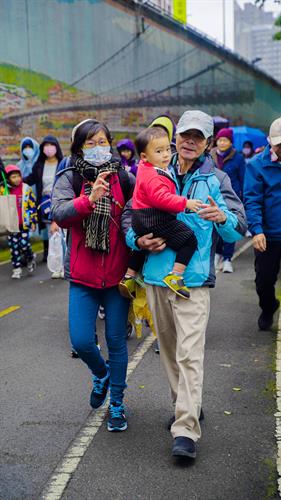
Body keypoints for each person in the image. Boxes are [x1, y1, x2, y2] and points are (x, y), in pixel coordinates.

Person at [123, 110, 247, 458]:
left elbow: (239, 227)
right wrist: (137, 241)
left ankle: (186, 431)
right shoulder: (152, 169)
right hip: (155, 280)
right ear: (175, 137)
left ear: (208, 144)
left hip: (192, 282)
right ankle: (187, 405)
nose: (190, 142)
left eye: (198, 137)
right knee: (171, 356)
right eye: (185, 135)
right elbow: (129, 217)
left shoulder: (217, 179)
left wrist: (222, 217)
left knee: (190, 354)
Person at [51, 119, 135, 432]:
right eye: (91, 142)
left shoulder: (124, 178)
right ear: (79, 147)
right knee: (83, 341)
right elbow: (58, 214)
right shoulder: (70, 177)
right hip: (83, 277)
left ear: (110, 143)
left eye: (102, 140)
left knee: (116, 342)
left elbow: (134, 217)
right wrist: (88, 200)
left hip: (116, 277)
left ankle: (117, 404)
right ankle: (101, 374)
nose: (98, 147)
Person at [119, 126, 200, 300]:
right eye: (158, 151)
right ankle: (176, 276)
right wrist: (186, 202)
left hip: (140, 218)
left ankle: (129, 276)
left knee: (142, 246)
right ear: (144, 156)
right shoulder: (155, 176)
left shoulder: (145, 168)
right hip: (154, 217)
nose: (165, 155)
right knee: (189, 239)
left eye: (167, 149)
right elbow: (161, 198)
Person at [244, 117, 281, 331]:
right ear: (271, 142)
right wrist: (257, 230)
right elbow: (252, 200)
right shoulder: (256, 166)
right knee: (264, 282)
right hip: (268, 235)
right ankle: (268, 307)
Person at [24, 135, 63, 272]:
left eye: (51, 145)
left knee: (62, 230)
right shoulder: (39, 165)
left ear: (56, 147)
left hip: (60, 200)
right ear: (42, 149)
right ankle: (54, 260)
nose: (48, 148)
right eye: (45, 145)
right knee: (50, 231)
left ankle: (64, 261)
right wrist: (15, 182)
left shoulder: (62, 163)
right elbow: (31, 179)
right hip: (45, 202)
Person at [211, 128, 245, 273]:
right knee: (215, 227)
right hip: (213, 196)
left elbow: (243, 178)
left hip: (231, 197)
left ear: (230, 142)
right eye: (220, 139)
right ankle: (217, 254)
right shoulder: (210, 155)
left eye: (225, 140)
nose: (222, 142)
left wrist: (242, 198)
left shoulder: (238, 158)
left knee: (230, 227)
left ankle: (227, 259)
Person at [5, 165, 37, 279]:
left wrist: (33, 221)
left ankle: (30, 258)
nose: (17, 179)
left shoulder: (26, 188)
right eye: (13, 177)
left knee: (23, 245)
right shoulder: (4, 190)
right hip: (11, 225)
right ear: (8, 179)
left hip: (24, 224)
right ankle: (17, 269)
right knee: (14, 247)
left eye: (18, 176)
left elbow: (32, 205)